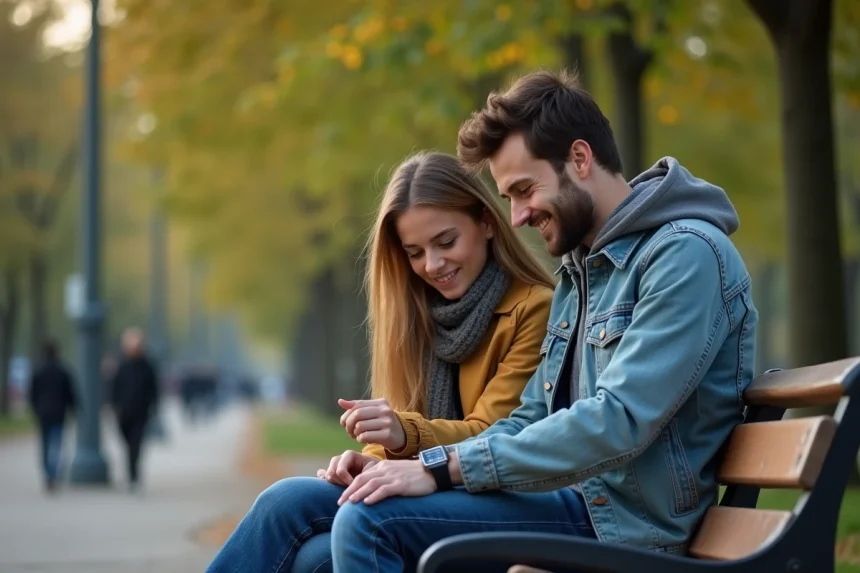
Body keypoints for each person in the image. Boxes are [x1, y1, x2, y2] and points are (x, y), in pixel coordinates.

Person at [294, 68, 757, 572]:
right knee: (298, 509)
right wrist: (418, 464)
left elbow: (618, 420)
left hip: (623, 526)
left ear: (579, 159)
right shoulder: (584, 271)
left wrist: (443, 468)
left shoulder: (685, 256)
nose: (516, 216)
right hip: (572, 501)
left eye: (523, 190)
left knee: (368, 521)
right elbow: (529, 416)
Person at [206, 151, 557, 572]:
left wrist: (401, 434)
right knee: (299, 531)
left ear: (485, 221)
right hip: (428, 487)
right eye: (414, 252)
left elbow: (494, 434)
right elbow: (400, 421)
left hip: (491, 497)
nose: (433, 265)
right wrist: (367, 458)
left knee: (300, 529)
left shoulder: (534, 309)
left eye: (446, 242)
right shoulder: (417, 313)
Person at [110, 327, 160, 492]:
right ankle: (132, 475)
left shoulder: (147, 366)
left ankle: (133, 477)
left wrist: (154, 406)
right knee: (128, 445)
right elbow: (114, 387)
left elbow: (154, 389)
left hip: (141, 412)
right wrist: (113, 404)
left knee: (136, 445)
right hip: (124, 413)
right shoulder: (122, 366)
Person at [28, 340, 77, 493]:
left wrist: (35, 409)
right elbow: (70, 393)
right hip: (58, 413)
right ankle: (53, 473)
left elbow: (32, 394)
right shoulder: (62, 371)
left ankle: (48, 473)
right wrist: (74, 409)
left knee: (45, 445)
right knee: (56, 444)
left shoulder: (38, 370)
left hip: (43, 413)